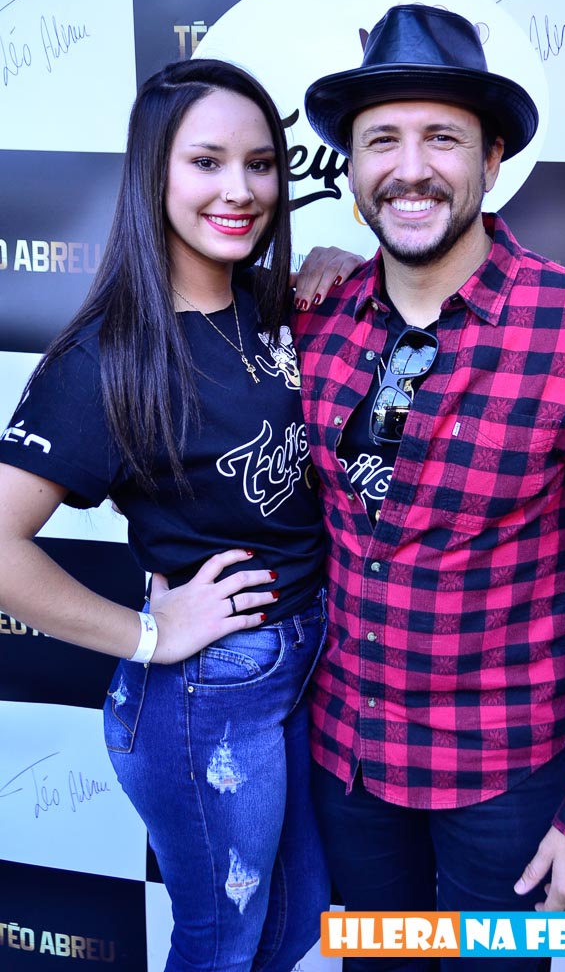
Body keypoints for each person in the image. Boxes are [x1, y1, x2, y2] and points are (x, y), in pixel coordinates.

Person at [295, 3, 565, 970]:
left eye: (443, 138)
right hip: (347, 765)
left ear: (492, 161)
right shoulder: (316, 320)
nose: (410, 167)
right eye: (382, 140)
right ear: (350, 167)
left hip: (504, 781)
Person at [0, 58, 360, 972]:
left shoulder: (273, 305)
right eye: (206, 162)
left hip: (306, 668)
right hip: (207, 696)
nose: (240, 190)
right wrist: (150, 636)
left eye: (261, 163)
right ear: (152, 172)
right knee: (220, 945)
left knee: (296, 921)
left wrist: (341, 266)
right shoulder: (107, 358)